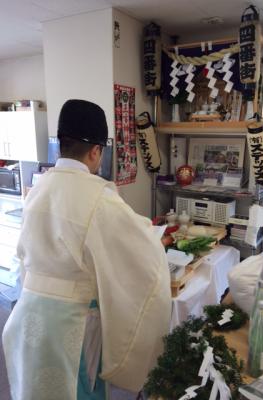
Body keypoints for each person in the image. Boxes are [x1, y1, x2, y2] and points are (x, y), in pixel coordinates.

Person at [2, 99, 172, 400]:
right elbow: (143, 259)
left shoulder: (39, 188)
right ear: (96, 151)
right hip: (70, 323)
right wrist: (154, 239)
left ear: (61, 144)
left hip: (27, 316)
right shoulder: (98, 198)